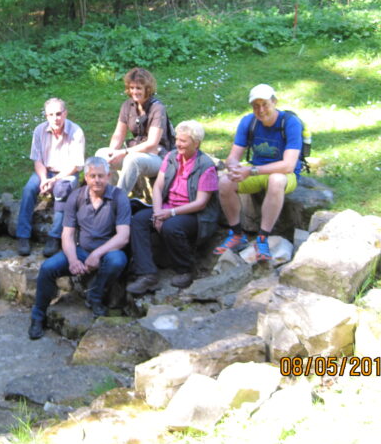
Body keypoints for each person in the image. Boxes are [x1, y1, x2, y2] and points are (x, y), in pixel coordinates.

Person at [28, 156, 131, 339]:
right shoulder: (76, 196)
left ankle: (95, 296)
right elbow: (67, 234)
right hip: (81, 251)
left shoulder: (118, 197)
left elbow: (123, 237)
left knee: (117, 260)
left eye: (101, 176)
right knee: (47, 268)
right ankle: (38, 316)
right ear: (86, 176)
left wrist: (97, 254)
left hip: (107, 252)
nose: (97, 180)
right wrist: (73, 259)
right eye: (92, 176)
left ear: (108, 176)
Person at [126, 120, 220, 295]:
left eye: (184, 141)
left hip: (194, 214)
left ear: (196, 143)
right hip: (167, 208)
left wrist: (169, 213)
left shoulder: (206, 166)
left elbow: (201, 203)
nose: (178, 144)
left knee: (171, 226)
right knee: (138, 220)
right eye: (177, 139)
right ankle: (147, 273)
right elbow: (158, 187)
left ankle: (185, 270)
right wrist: (157, 212)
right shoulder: (170, 157)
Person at [213, 84, 303, 261]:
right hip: (257, 170)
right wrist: (234, 168)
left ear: (274, 102)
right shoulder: (249, 122)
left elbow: (288, 165)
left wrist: (251, 171)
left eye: (265, 104)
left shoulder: (290, 123)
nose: (261, 110)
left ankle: (263, 237)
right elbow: (233, 157)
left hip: (284, 174)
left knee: (276, 180)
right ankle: (237, 234)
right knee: (225, 182)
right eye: (256, 106)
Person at [16, 98, 86, 257]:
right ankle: (23, 236)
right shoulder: (39, 130)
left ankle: (55, 237)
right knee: (28, 189)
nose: (56, 118)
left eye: (59, 114)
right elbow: (38, 160)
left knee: (62, 191)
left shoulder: (76, 132)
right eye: (51, 114)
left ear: (65, 113)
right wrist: (43, 179)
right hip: (45, 171)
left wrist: (53, 180)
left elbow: (75, 166)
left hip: (67, 173)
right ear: (46, 116)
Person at [96, 67, 172, 197]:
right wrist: (112, 152)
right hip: (135, 151)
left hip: (158, 157)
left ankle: (117, 200)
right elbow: (118, 134)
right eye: (131, 88)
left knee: (132, 160)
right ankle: (104, 196)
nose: (134, 92)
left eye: (138, 88)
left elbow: (152, 143)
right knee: (101, 154)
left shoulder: (157, 108)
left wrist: (124, 152)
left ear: (147, 89)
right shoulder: (127, 106)